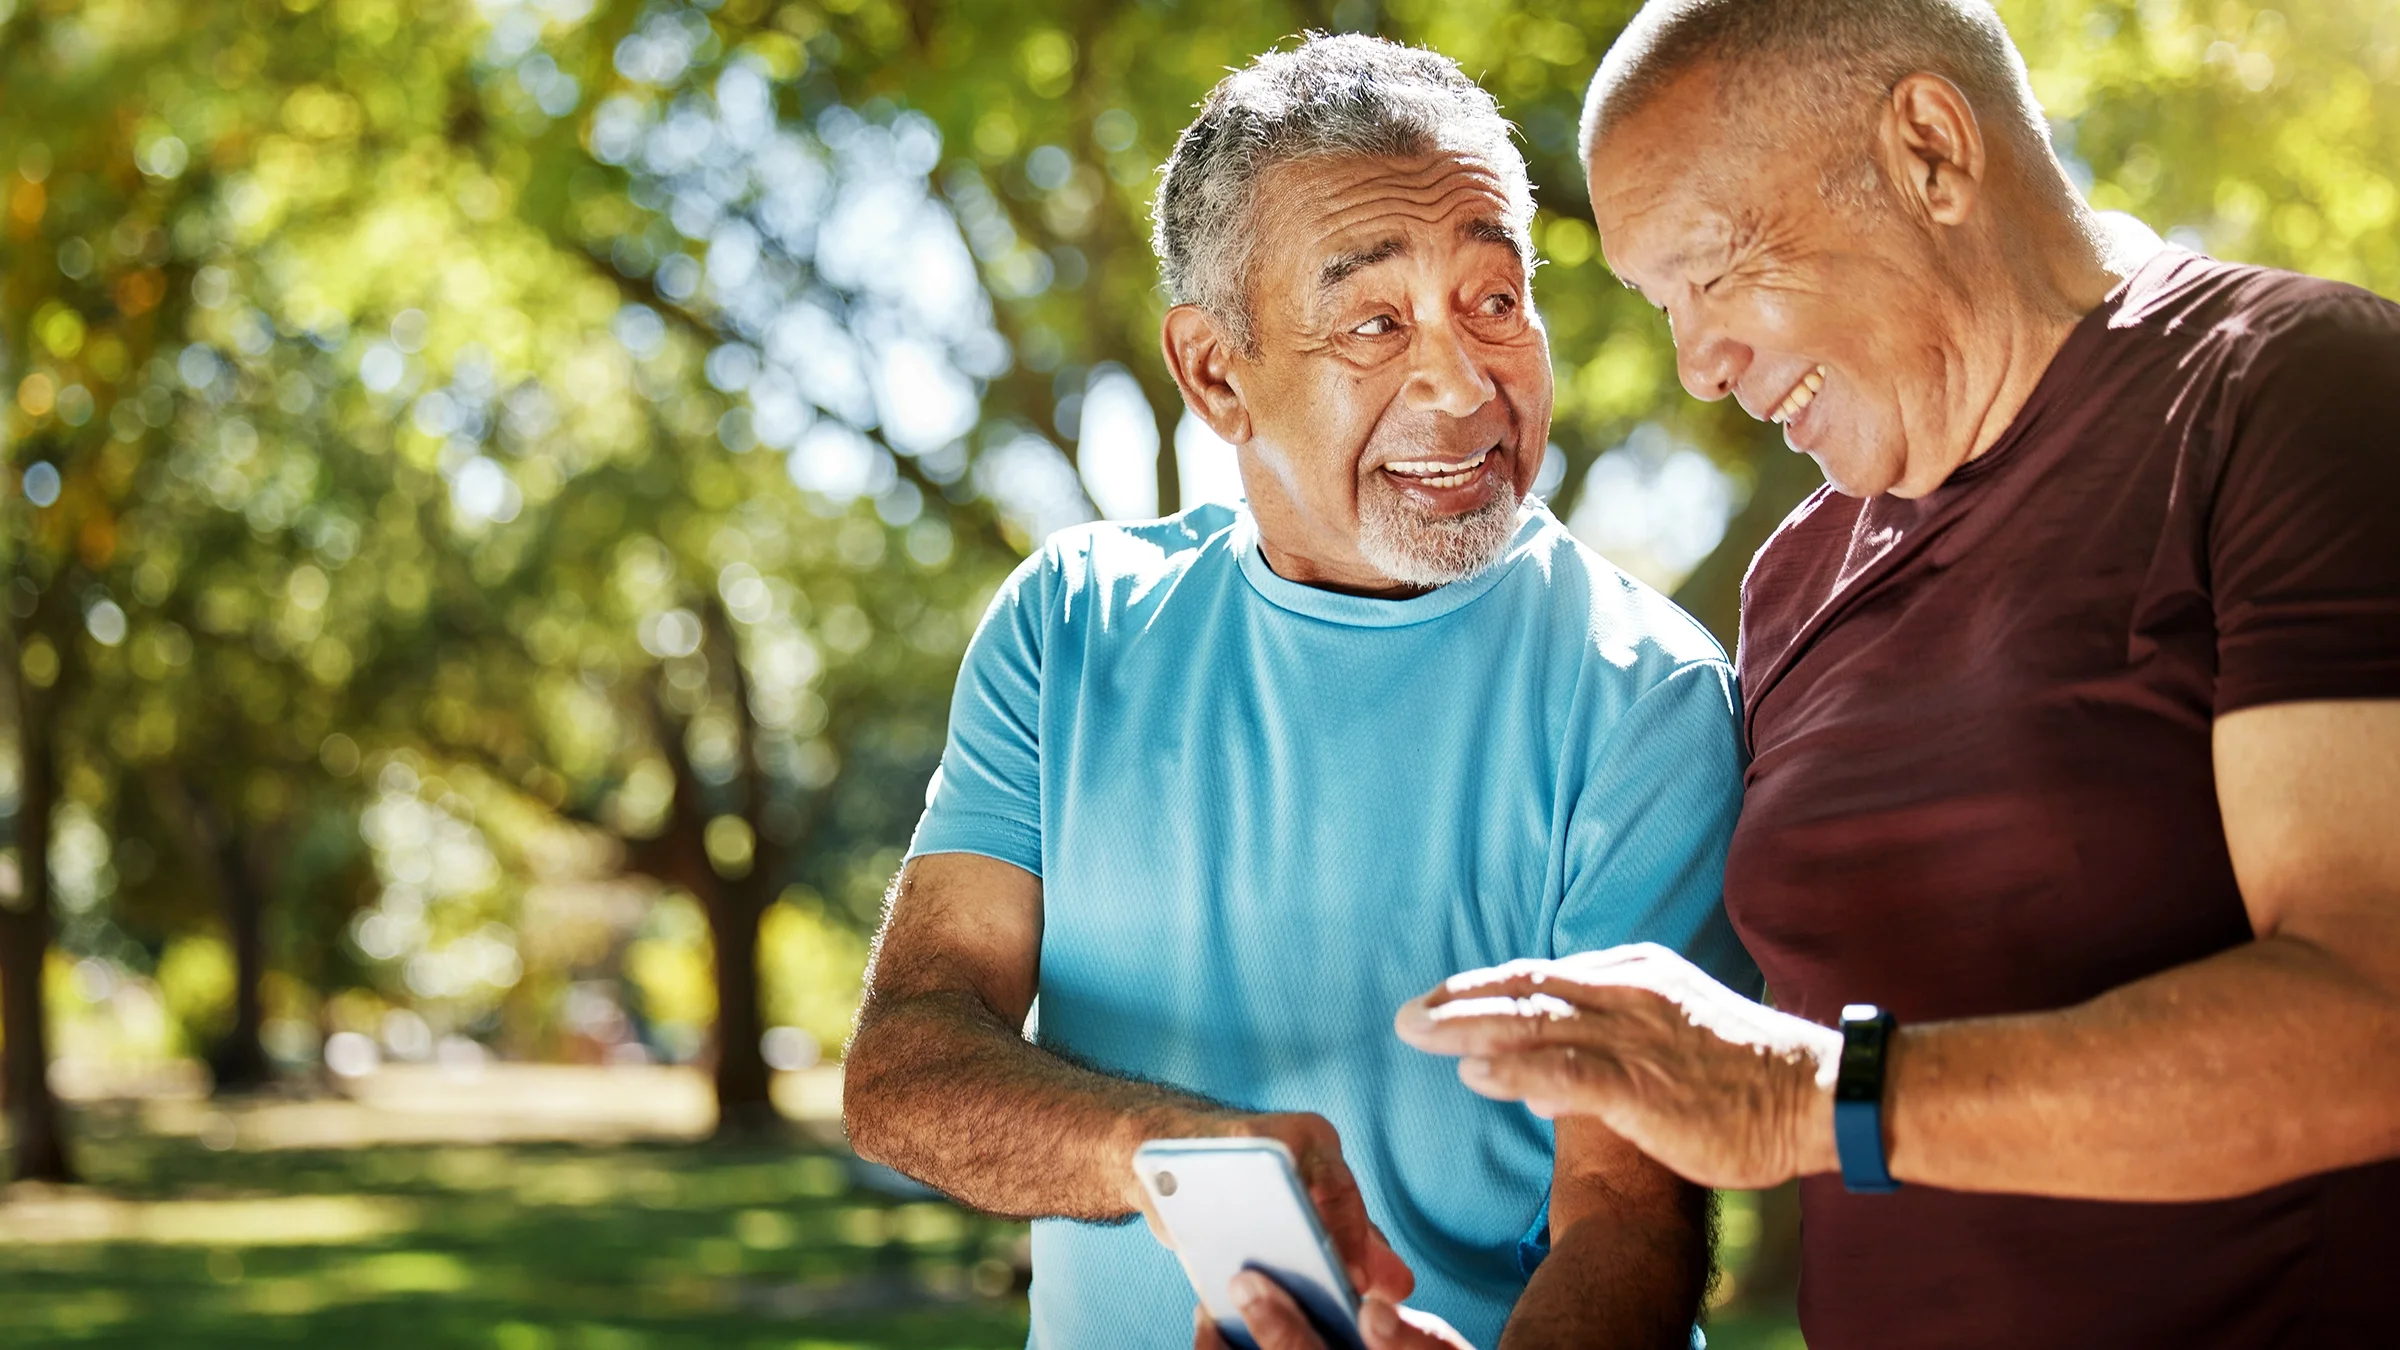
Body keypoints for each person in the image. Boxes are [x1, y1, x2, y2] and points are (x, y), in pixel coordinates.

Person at [1388, 1, 2400, 1347]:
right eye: (1663, 307)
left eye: (1713, 268)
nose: (1702, 364)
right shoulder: (1790, 582)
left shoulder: (2290, 391)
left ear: (1929, 150)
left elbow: (2372, 1009)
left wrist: (1818, 1097)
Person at [840, 33, 1758, 1350]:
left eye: (1496, 300)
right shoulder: (1069, 623)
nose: (1462, 381)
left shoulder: (1644, 694)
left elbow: (1630, 1208)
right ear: (1217, 372)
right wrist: (1169, 1153)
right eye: (1376, 323)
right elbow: (908, 1063)